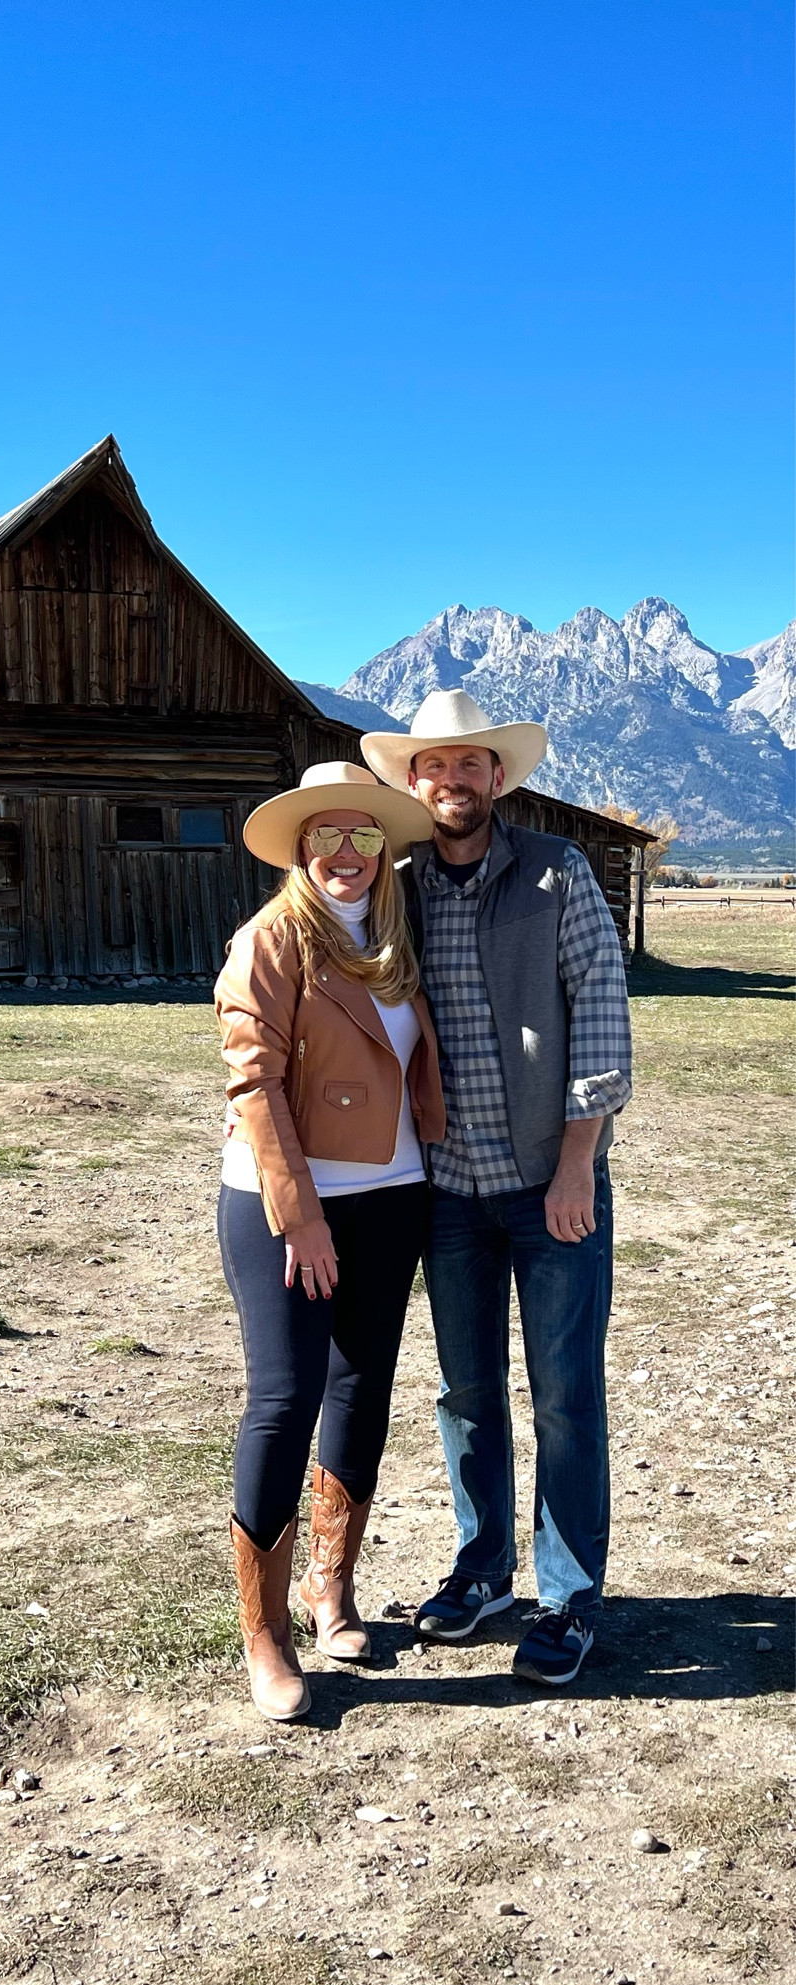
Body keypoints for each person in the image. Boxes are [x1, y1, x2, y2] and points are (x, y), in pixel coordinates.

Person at [361, 688, 632, 1688]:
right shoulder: (397, 887)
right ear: (412, 780)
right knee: (464, 1391)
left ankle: (566, 1595)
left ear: (497, 776)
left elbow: (600, 1020)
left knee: (564, 1394)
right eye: (431, 765)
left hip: (544, 1181)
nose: (450, 779)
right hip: (444, 1184)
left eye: (467, 762)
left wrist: (575, 1166)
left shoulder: (559, 877)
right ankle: (483, 1571)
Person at [213, 761, 445, 1721]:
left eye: (362, 836)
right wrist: (301, 1214)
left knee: (363, 1387)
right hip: (286, 1204)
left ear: (383, 848)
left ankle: (330, 1585)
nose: (343, 854)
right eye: (325, 836)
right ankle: (262, 1630)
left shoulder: (396, 938)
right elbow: (253, 1083)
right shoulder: (271, 939)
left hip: (393, 1191)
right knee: (284, 1395)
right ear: (300, 847)